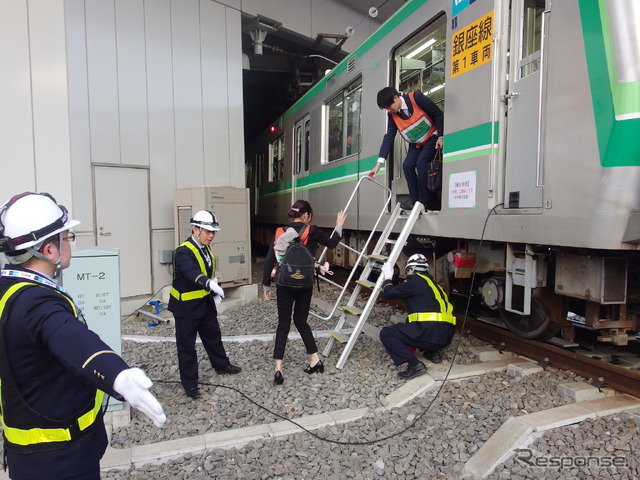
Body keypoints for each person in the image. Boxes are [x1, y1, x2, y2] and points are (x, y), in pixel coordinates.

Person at [0, 192, 166, 480]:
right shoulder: (36, 303)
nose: (70, 243)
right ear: (49, 250)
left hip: (28, 454)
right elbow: (71, 338)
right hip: (61, 458)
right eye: (68, 236)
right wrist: (119, 377)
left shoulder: (9, 289)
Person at [263, 200, 346, 385]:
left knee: (283, 325)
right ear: (306, 215)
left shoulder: (279, 232)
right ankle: (315, 360)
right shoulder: (312, 230)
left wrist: (266, 285)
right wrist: (339, 225)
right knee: (301, 322)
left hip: (284, 284)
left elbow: (270, 259)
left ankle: (278, 369)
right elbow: (332, 243)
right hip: (304, 284)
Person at [168, 210, 241, 400]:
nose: (211, 235)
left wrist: (212, 287)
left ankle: (221, 365)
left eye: (213, 232)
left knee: (213, 336)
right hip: (186, 308)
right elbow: (192, 272)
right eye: (208, 231)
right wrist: (209, 283)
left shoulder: (205, 248)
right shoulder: (183, 251)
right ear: (195, 229)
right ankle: (190, 384)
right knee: (186, 347)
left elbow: (205, 270)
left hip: (205, 303)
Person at [378, 254, 455, 379]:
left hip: (428, 335)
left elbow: (389, 293)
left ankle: (415, 365)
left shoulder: (414, 280)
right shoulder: (436, 286)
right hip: (445, 339)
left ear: (410, 269)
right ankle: (432, 353)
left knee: (386, 333)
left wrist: (388, 277)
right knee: (421, 322)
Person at [368, 86, 444, 211]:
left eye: (389, 106)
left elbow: (437, 114)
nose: (389, 110)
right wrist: (378, 164)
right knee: (407, 165)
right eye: (386, 109)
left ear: (396, 98)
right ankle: (415, 201)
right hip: (416, 142)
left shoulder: (416, 98)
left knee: (421, 163)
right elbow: (389, 137)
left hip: (432, 136)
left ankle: (424, 201)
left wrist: (441, 136)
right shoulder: (392, 115)